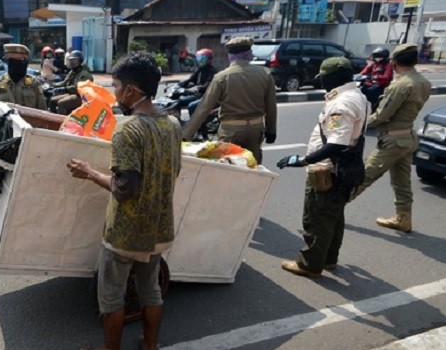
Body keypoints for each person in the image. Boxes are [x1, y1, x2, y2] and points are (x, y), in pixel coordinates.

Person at [68, 51, 183, 350]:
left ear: (131, 91)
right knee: (151, 290)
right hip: (160, 229)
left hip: (125, 233)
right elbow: (173, 171)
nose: (115, 93)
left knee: (112, 296)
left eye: (117, 86)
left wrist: (90, 172)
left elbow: (125, 188)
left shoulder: (128, 131)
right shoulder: (172, 125)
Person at [276, 57, 369, 278]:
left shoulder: (342, 104)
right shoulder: (359, 97)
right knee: (334, 215)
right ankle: (329, 258)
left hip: (328, 169)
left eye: (323, 78)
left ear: (334, 77)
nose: (321, 82)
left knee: (317, 217)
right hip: (347, 168)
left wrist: (302, 160)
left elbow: (337, 143)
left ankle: (309, 264)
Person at [349, 43, 432, 233]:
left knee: (363, 176)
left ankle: (331, 212)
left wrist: (357, 126)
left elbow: (382, 115)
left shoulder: (401, 85)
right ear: (416, 60)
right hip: (408, 137)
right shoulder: (423, 82)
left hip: (392, 141)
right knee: (402, 182)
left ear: (394, 62)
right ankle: (403, 218)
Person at [182, 37, 277, 164]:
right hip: (255, 130)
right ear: (249, 54)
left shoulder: (222, 77)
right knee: (254, 169)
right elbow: (271, 105)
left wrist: (185, 136)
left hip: (230, 131)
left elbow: (204, 108)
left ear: (230, 56)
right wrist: (271, 131)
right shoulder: (265, 74)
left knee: (229, 171)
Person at [0, 43, 46, 122]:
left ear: (25, 62)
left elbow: (43, 113)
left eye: (20, 62)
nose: (16, 65)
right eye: (12, 62)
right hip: (6, 132)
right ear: (8, 63)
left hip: (29, 131)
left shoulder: (34, 83)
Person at [49, 50, 93, 115]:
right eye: (71, 60)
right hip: (72, 94)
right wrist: (52, 85)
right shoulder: (73, 71)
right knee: (52, 100)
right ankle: (52, 121)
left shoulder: (85, 74)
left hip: (82, 97)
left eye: (74, 60)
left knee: (61, 103)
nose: (72, 63)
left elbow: (78, 89)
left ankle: (60, 122)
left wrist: (64, 89)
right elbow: (64, 82)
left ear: (80, 61)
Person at [176, 48, 218, 116]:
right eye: (199, 58)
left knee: (191, 106)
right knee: (179, 101)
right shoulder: (200, 69)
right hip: (199, 95)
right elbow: (191, 80)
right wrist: (178, 85)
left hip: (208, 97)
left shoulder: (212, 71)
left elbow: (207, 84)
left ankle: (196, 125)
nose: (200, 60)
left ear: (209, 60)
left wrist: (196, 89)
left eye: (202, 59)